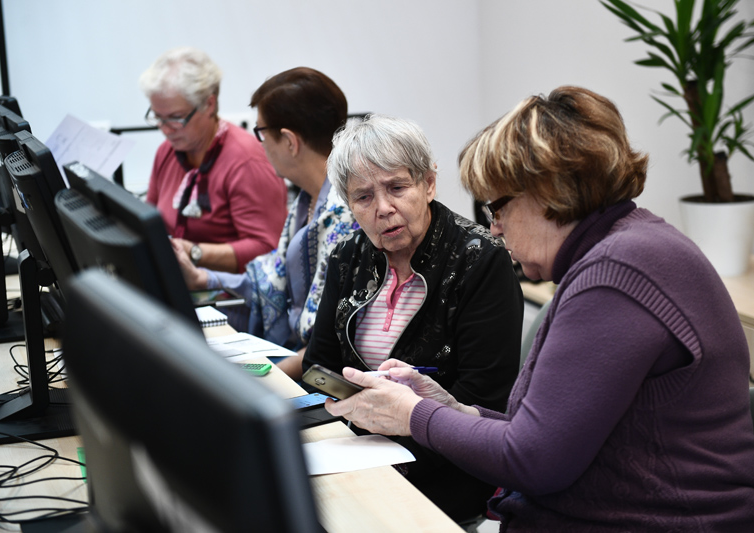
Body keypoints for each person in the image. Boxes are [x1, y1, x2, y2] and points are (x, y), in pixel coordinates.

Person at [323, 87, 754, 531]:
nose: (495, 229)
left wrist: (413, 416)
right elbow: (542, 434)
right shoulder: (624, 251)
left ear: (549, 192)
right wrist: (448, 407)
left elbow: (533, 460)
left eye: (498, 208)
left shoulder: (617, 274)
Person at [303, 114, 523, 522]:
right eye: (363, 197)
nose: (384, 208)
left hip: (443, 473)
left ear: (428, 184)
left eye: (397, 188)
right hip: (356, 457)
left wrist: (382, 455)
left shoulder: (481, 260)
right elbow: (321, 364)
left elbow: (483, 398)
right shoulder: (347, 257)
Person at [174, 67, 359, 380]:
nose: (259, 144)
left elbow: (327, 344)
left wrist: (260, 377)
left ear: (289, 141)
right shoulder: (308, 199)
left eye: (261, 132)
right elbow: (270, 280)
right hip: (300, 363)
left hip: (321, 378)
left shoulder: (344, 214)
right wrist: (200, 278)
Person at [140, 47, 286, 273]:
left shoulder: (246, 161)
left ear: (209, 104)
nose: (165, 129)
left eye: (176, 118)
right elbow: (149, 220)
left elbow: (268, 249)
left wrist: (195, 253)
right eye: (158, 117)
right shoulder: (166, 152)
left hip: (230, 290)